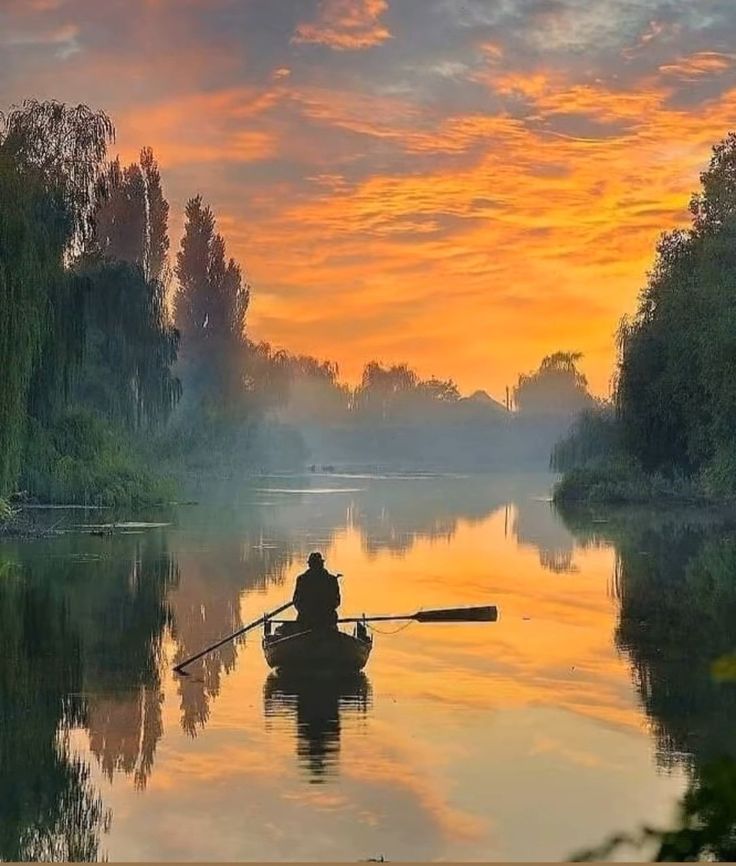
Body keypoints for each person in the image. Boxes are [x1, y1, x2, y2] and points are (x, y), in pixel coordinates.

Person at [292, 552, 340, 630]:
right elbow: (337, 602)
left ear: (309, 565)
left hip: (306, 621)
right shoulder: (332, 580)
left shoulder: (302, 580)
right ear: (322, 564)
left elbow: (296, 601)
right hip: (327, 621)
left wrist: (307, 612)